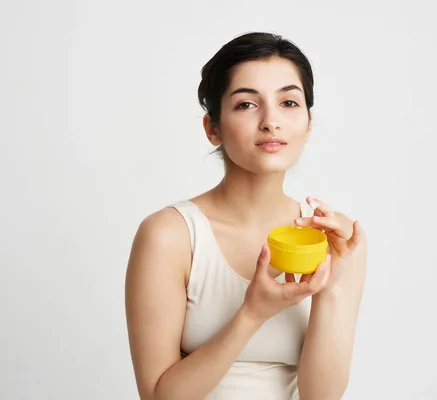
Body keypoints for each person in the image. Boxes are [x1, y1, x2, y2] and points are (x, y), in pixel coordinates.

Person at [125, 32, 367, 400]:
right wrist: (251, 313)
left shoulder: (338, 237)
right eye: (246, 105)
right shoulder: (169, 235)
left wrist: (330, 288)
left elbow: (321, 396)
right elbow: (159, 397)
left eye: (288, 102)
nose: (271, 121)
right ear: (213, 129)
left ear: (308, 124)